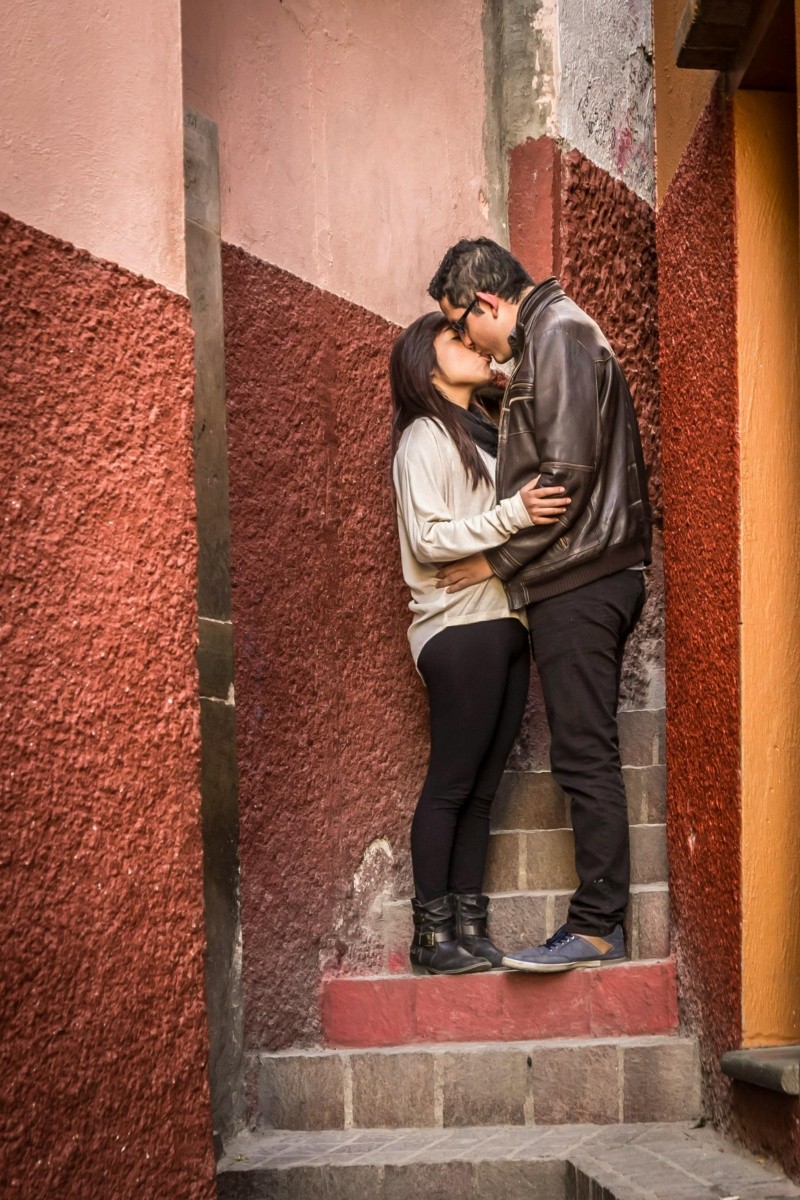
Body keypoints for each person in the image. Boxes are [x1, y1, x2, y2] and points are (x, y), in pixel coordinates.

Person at [428, 238, 651, 973]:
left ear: (486, 302)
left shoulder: (557, 335)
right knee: (583, 752)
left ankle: (595, 924)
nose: (468, 342)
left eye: (462, 326)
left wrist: (491, 560)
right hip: (582, 574)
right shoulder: (553, 337)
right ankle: (596, 921)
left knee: (584, 755)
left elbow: (562, 480)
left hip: (581, 577)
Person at [389, 312, 571, 975]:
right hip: (457, 629)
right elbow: (430, 540)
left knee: (482, 792)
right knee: (451, 785)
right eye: (457, 340)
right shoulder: (424, 437)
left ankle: (469, 926)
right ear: (423, 362)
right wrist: (515, 514)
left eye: (475, 338)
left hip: (505, 625)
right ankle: (431, 937)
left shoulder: (487, 436)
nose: (474, 346)